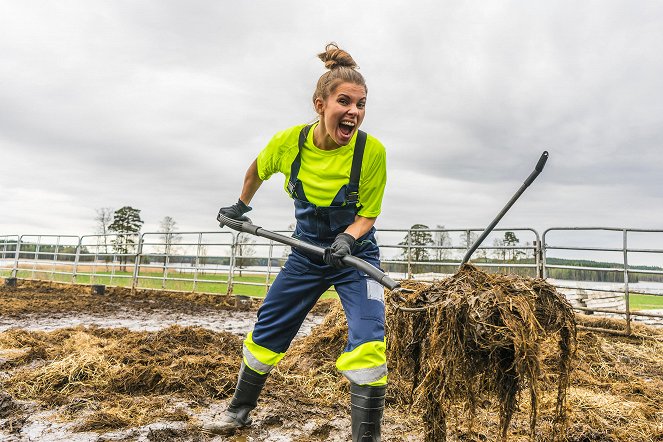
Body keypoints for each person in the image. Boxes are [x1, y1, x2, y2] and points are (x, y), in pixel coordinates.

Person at [207, 43, 388, 442]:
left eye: (361, 104)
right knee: (269, 328)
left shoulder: (371, 152)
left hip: (356, 255)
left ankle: (367, 438)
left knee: (370, 338)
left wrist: (346, 239)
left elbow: (368, 215)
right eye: (345, 102)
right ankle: (238, 412)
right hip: (307, 254)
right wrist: (240, 205)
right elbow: (257, 170)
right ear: (320, 104)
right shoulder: (290, 143)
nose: (354, 112)